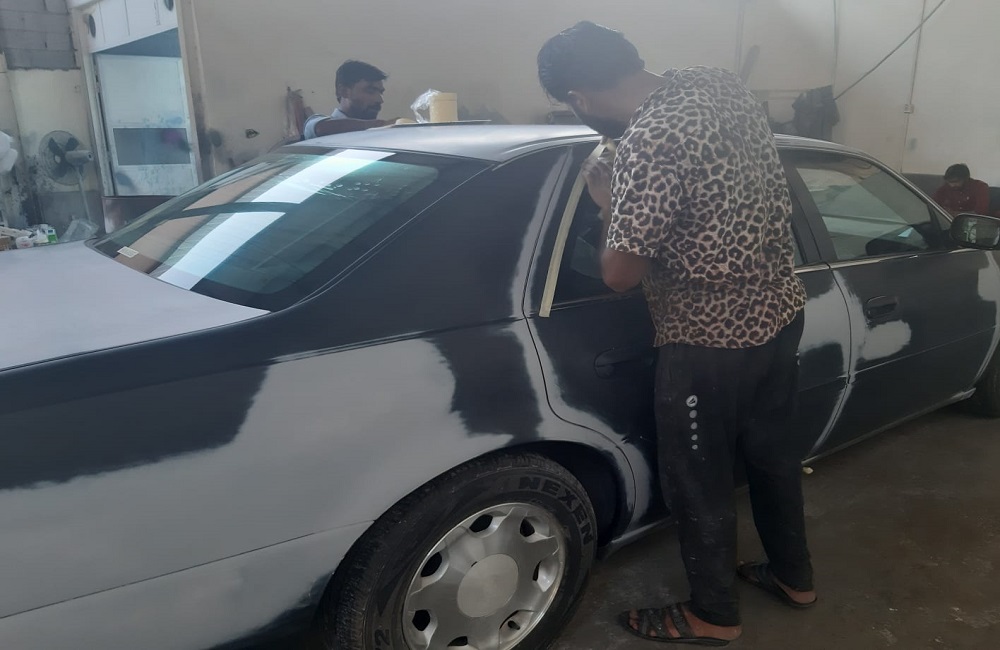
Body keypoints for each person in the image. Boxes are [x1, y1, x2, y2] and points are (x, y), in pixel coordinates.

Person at [538, 22, 815, 645]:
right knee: (773, 457)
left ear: (579, 98)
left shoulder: (648, 142)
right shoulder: (716, 83)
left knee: (699, 478)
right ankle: (794, 578)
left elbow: (619, 275)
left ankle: (713, 614)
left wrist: (607, 201)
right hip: (779, 313)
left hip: (708, 339)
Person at [302, 60, 394, 139]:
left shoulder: (378, 133)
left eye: (381, 92)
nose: (380, 100)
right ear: (343, 91)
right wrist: (383, 125)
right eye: (370, 91)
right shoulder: (316, 123)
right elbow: (321, 128)